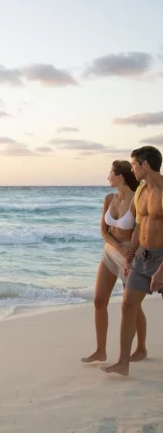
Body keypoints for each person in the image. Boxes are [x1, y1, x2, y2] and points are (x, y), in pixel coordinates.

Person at [103, 146, 163, 376]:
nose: (133, 169)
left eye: (135, 165)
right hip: (142, 256)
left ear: (145, 165)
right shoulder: (141, 191)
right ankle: (123, 362)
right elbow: (139, 226)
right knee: (128, 305)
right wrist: (132, 255)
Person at [81, 160, 146, 364]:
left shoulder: (137, 199)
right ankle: (101, 351)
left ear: (120, 177)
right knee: (99, 300)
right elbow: (103, 230)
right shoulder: (109, 199)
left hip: (131, 255)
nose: (108, 177)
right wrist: (117, 248)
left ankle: (141, 347)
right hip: (111, 252)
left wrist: (130, 253)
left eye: (110, 173)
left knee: (132, 306)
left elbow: (141, 231)